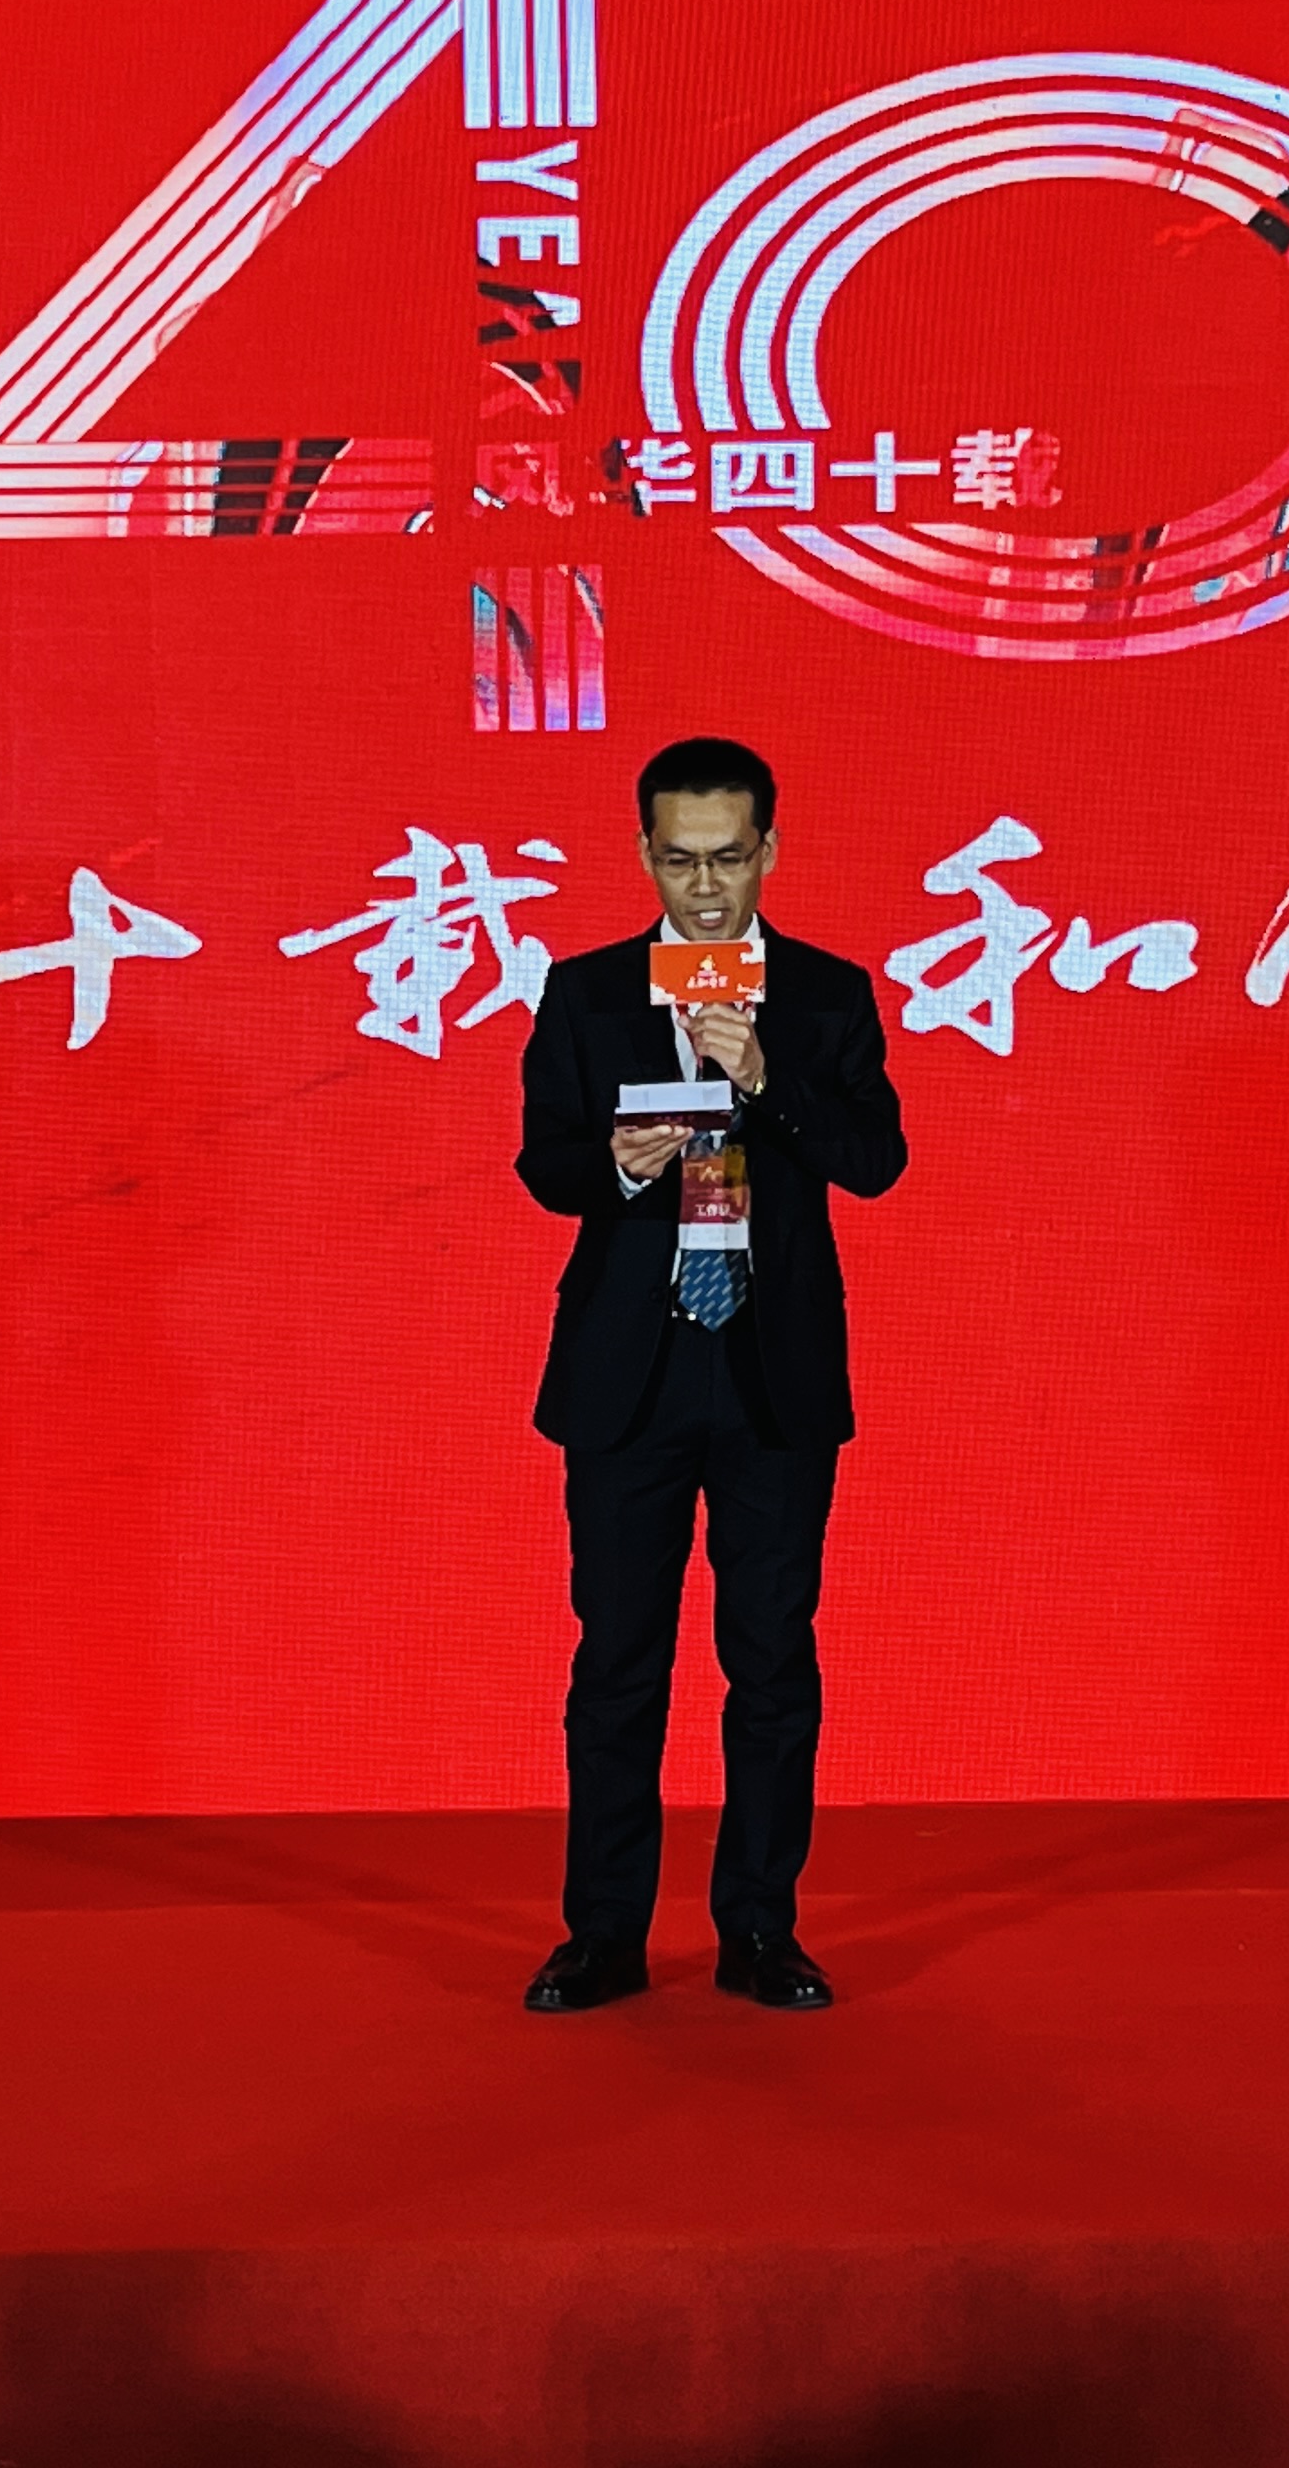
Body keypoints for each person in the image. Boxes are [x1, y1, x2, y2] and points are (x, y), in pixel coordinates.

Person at [512, 737, 907, 2013]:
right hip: (629, 1374)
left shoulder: (828, 996)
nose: (704, 888)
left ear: (769, 852)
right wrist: (618, 1164)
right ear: (644, 855)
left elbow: (875, 1160)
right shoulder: (585, 993)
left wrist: (767, 1080)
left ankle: (760, 1931)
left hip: (771, 1376)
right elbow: (544, 1163)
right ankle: (603, 1936)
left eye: (728, 859)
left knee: (772, 1662)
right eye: (679, 861)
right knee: (617, 1663)